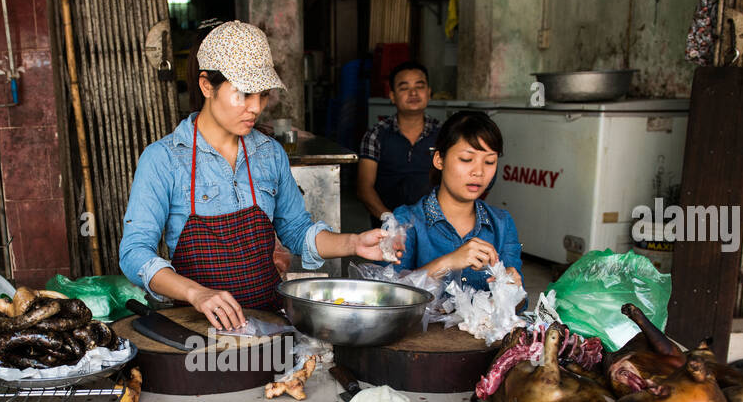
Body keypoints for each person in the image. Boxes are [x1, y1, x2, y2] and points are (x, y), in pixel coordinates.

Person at [119, 21, 394, 331]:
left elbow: (297, 230)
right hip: (198, 328)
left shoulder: (269, 153)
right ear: (207, 85)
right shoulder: (165, 159)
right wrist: (196, 293)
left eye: (262, 95)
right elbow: (134, 252)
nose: (255, 108)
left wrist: (354, 243)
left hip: (267, 322)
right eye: (244, 94)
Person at [391, 111, 523, 290]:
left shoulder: (501, 223)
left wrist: (512, 289)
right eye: (467, 159)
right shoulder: (405, 222)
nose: (479, 172)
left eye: (489, 162)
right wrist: (449, 262)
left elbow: (519, 300)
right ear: (439, 160)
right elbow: (386, 295)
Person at [356, 60, 442, 223]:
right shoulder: (376, 134)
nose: (413, 93)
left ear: (429, 93)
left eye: (419, 86)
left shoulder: (443, 134)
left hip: (434, 226)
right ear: (392, 96)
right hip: (386, 230)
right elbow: (364, 188)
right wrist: (390, 220)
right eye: (404, 88)